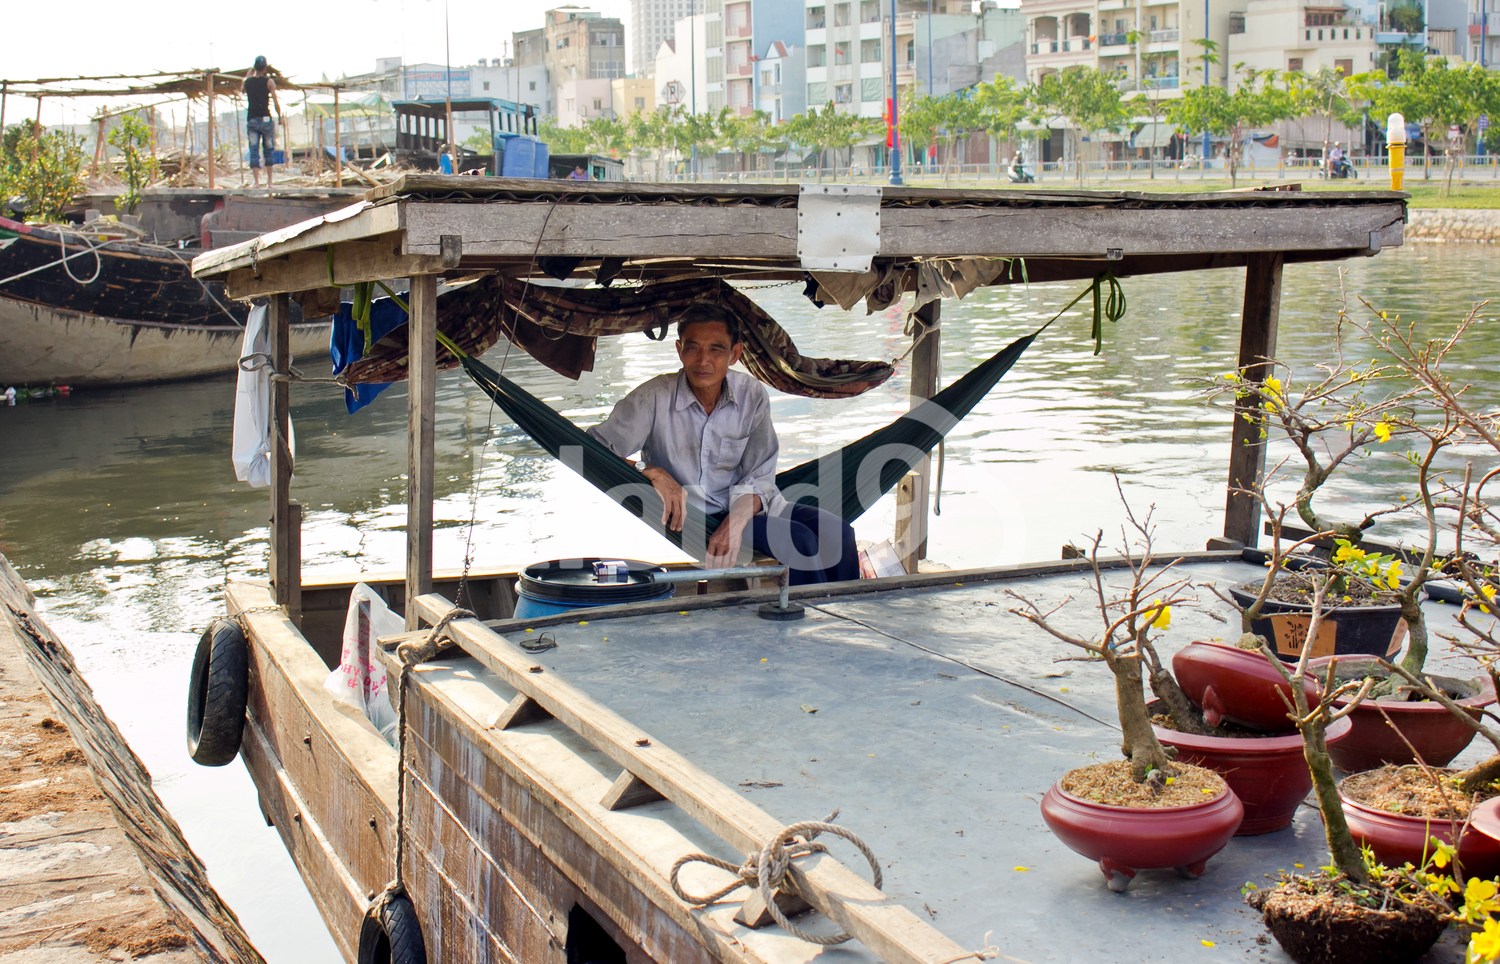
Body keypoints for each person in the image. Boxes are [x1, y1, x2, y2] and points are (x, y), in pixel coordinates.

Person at [588, 303, 859, 585]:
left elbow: (760, 475)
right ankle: (814, 611)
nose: (703, 360)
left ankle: (846, 609)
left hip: (745, 510)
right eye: (693, 348)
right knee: (799, 541)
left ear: (735, 354)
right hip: (693, 519)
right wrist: (651, 471)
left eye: (716, 350)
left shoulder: (751, 395)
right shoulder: (652, 399)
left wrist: (734, 524)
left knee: (839, 532)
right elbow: (591, 451)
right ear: (679, 350)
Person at [242, 56, 282, 188]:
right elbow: (275, 101)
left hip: (252, 119)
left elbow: (242, 89)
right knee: (268, 150)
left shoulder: (248, 82)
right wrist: (279, 116)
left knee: (254, 150)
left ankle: (256, 182)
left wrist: (248, 75)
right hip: (265, 118)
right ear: (265, 68)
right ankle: (269, 182)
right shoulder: (269, 82)